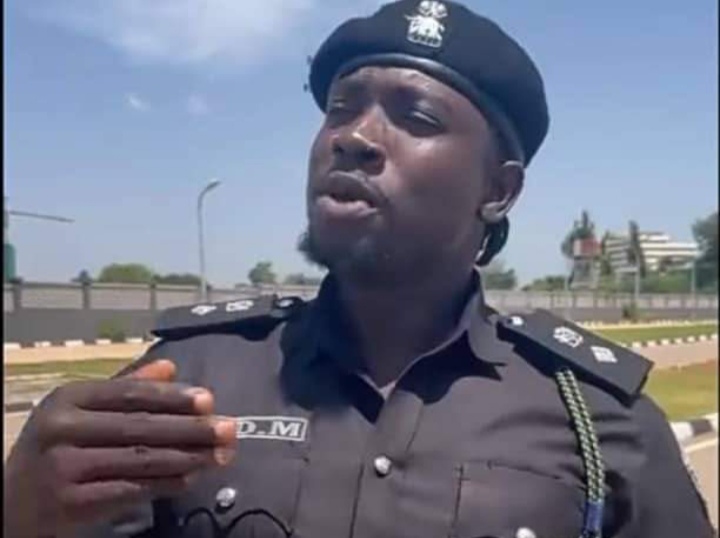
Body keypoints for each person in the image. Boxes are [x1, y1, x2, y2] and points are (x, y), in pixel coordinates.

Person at [4, 1, 714, 537]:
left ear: (499, 190)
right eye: (341, 109)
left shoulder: (595, 419)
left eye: (417, 118)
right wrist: (23, 513)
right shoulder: (187, 382)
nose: (355, 136)